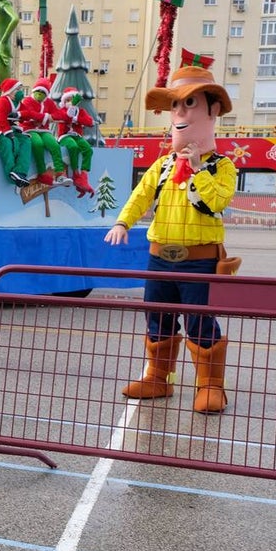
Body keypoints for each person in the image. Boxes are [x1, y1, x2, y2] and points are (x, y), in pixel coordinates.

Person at [104, 58, 237, 414]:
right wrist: (123, 223)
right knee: (157, 316)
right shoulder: (162, 164)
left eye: (189, 102)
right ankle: (159, 377)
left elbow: (217, 201)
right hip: (160, 254)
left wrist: (196, 169)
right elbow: (141, 195)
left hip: (200, 259)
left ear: (212, 110)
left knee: (199, 319)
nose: (180, 111)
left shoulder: (222, 166)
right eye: (175, 104)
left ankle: (210, 384)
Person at [0, 78, 32, 188]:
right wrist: (9, 134)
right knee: (7, 143)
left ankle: (20, 171)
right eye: (17, 89)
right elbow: (1, 118)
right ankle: (11, 173)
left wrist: (19, 115)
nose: (20, 92)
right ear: (10, 90)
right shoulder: (2, 101)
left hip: (9, 128)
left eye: (20, 89)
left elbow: (28, 113)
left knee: (26, 141)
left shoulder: (17, 104)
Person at [17, 76, 67, 186]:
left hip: (44, 130)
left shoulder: (49, 102)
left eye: (42, 92)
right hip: (29, 129)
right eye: (38, 91)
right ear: (34, 91)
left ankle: (60, 173)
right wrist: (44, 117)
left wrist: (47, 117)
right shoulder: (28, 100)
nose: (39, 93)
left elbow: (60, 114)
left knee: (54, 144)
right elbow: (28, 113)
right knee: (37, 144)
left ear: (46, 93)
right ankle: (42, 173)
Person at [55, 87, 96, 197]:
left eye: (72, 100)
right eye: (67, 100)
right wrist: (71, 109)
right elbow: (65, 118)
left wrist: (77, 119)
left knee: (88, 150)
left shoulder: (80, 111)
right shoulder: (62, 110)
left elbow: (90, 122)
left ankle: (83, 175)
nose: (70, 102)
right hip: (65, 136)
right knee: (73, 147)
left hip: (77, 136)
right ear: (64, 101)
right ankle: (75, 173)